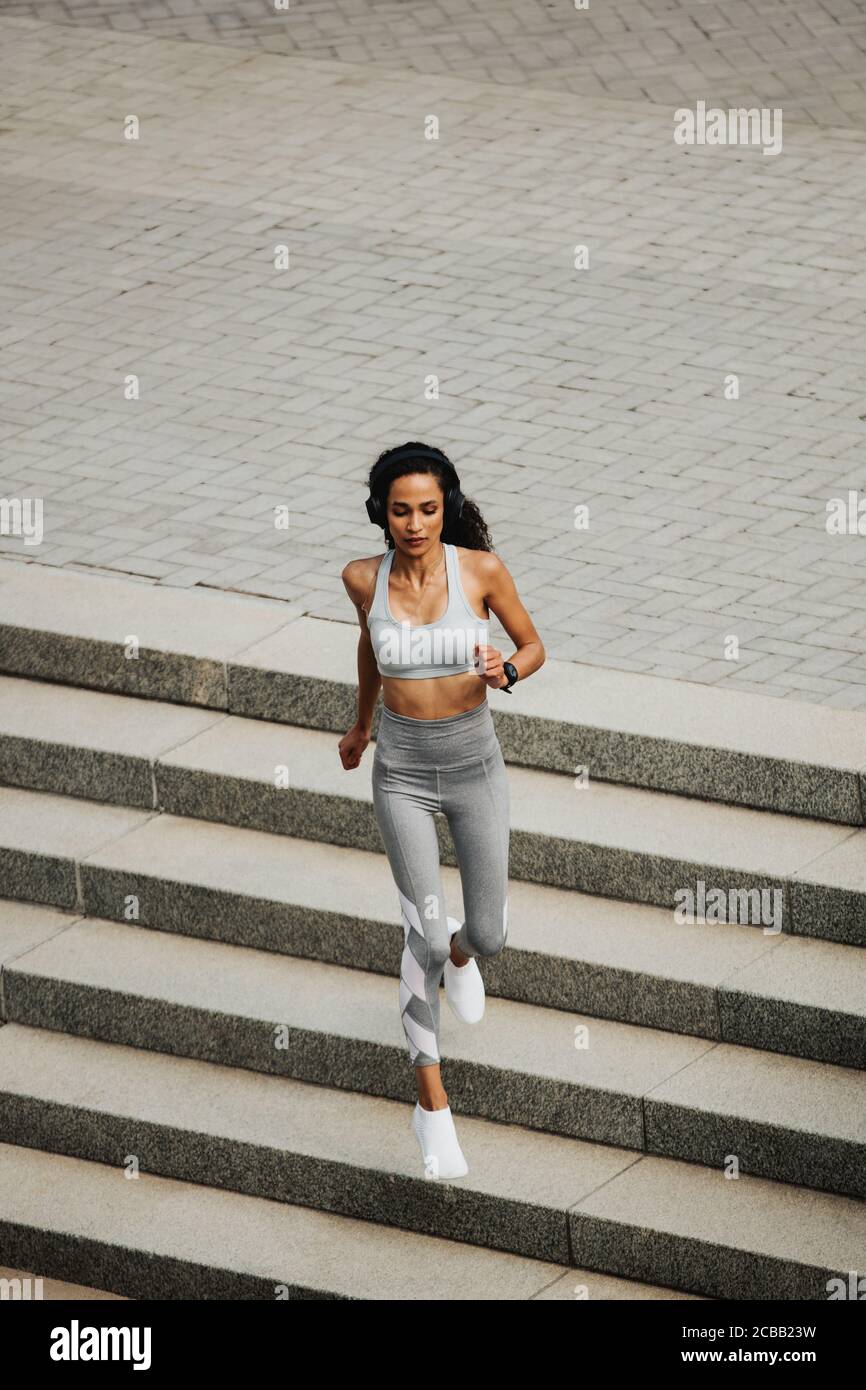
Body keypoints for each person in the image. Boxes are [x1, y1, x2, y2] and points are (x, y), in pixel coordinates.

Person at [339, 442, 545, 1179]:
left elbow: (533, 642)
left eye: (428, 508)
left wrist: (507, 669)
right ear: (382, 514)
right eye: (401, 510)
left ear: (445, 507)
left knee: (483, 933)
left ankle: (462, 954)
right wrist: (361, 727)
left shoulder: (480, 571)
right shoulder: (363, 578)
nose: (415, 523)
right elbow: (369, 652)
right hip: (402, 774)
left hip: (473, 767)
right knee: (421, 937)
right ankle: (432, 1108)